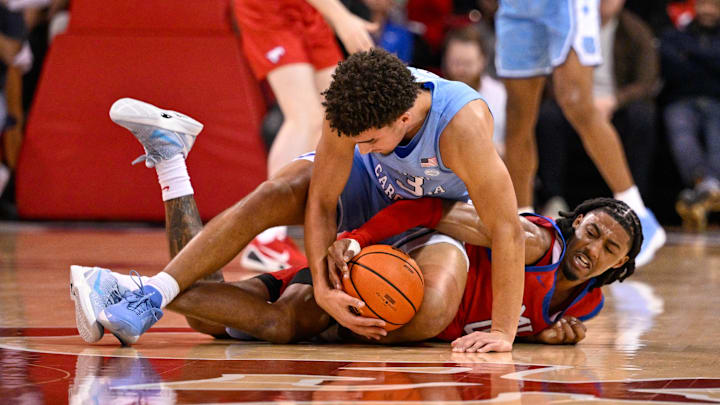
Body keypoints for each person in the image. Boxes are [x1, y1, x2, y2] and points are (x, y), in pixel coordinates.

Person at [72, 49, 524, 351]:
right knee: (276, 192)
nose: (360, 149)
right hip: (364, 192)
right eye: (354, 140)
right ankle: (150, 294)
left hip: (430, 220)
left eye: (369, 140)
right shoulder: (349, 110)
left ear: (405, 118)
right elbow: (323, 202)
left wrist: (504, 332)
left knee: (427, 314)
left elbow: (507, 227)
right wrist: (326, 292)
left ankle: (131, 288)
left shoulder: (462, 127)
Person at [495, 0, 665, 266]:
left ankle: (637, 211)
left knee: (576, 102)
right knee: (518, 116)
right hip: (518, 7)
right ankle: (524, 224)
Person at [233, 0, 378, 272]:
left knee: (339, 115)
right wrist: (341, 16)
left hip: (310, 9)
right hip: (269, 8)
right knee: (305, 117)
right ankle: (266, 239)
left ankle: (350, 226)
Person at [535, 0, 661, 218]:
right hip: (572, 102)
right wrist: (576, 100)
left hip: (616, 107)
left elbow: (648, 80)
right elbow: (544, 75)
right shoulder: (562, 25)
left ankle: (633, 204)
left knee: (642, 115)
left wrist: (615, 100)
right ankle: (551, 198)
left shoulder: (634, 29)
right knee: (546, 116)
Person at [659, 0, 720, 230]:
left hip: (716, 101)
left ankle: (702, 192)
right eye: (704, 4)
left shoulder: (682, 42)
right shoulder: (675, 35)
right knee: (681, 132)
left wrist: (691, 55)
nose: (708, 11)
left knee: (717, 138)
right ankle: (708, 186)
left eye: (714, 6)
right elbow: (672, 66)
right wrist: (710, 60)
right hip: (681, 100)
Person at [441, 25, 507, 155]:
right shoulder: (434, 97)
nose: (461, 70)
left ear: (482, 61)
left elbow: (515, 146)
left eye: (468, 64)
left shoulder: (501, 96)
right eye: (455, 63)